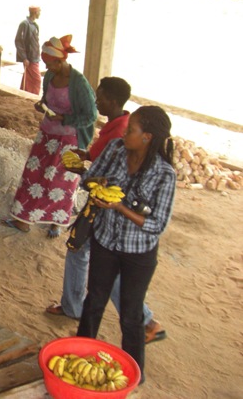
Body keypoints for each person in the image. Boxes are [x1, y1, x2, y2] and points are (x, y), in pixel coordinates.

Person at [46, 77, 166, 344]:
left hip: (114, 227)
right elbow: (97, 172)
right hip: (102, 217)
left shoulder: (138, 151)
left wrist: (117, 203)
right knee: (87, 266)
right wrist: (86, 170)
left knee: (106, 276)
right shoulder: (116, 138)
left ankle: (146, 321)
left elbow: (155, 221)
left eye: (99, 97)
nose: (96, 101)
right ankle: (76, 311)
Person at [77, 105, 176, 383]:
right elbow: (87, 179)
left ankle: (134, 374)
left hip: (138, 253)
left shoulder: (164, 174)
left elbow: (158, 224)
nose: (124, 133)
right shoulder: (115, 150)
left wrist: (120, 207)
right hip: (105, 241)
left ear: (147, 137)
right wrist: (97, 185)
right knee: (94, 301)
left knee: (131, 314)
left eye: (130, 129)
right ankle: (79, 356)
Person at [2, 35, 97, 238]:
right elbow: (46, 99)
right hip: (46, 134)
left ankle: (56, 221)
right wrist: (42, 105)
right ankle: (23, 220)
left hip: (69, 139)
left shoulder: (79, 84)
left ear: (60, 61)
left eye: (50, 64)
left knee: (61, 181)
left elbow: (90, 116)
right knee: (33, 176)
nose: (48, 68)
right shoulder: (50, 77)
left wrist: (64, 118)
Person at [14, 6, 41, 95]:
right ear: (35, 12)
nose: (40, 13)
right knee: (37, 80)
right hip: (29, 58)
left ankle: (24, 94)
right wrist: (24, 57)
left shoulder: (35, 25)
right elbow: (18, 41)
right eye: (39, 12)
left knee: (28, 79)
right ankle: (33, 96)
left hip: (35, 57)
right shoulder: (25, 24)